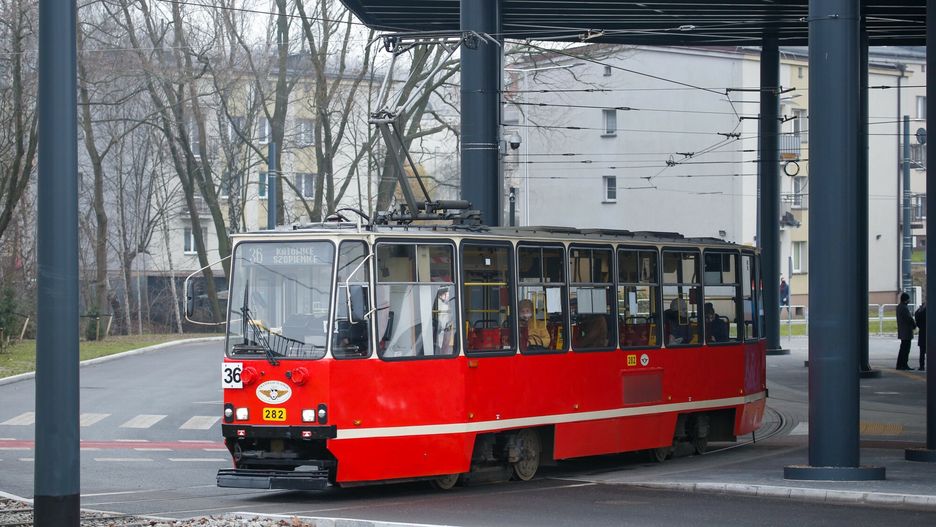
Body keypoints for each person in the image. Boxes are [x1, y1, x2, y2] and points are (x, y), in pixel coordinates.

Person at [896, 292, 916, 370]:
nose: (909, 301)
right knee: (906, 349)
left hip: (902, 331)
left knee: (902, 349)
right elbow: (909, 318)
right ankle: (903, 364)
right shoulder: (904, 308)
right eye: (908, 299)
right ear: (906, 300)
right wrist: (914, 324)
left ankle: (900, 365)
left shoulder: (899, 307)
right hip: (906, 331)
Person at [915, 301, 926, 371]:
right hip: (929, 334)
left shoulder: (920, 312)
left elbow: (917, 320)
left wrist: (920, 309)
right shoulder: (930, 311)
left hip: (922, 333)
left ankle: (921, 366)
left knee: (922, 351)